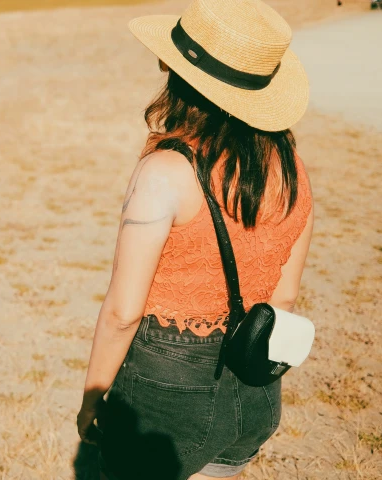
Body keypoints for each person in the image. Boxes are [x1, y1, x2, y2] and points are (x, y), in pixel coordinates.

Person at [76, 0, 314, 479]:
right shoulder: (289, 163)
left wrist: (92, 397)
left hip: (165, 392)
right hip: (255, 385)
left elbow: (124, 313)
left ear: (178, 74)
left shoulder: (165, 171)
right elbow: (284, 297)